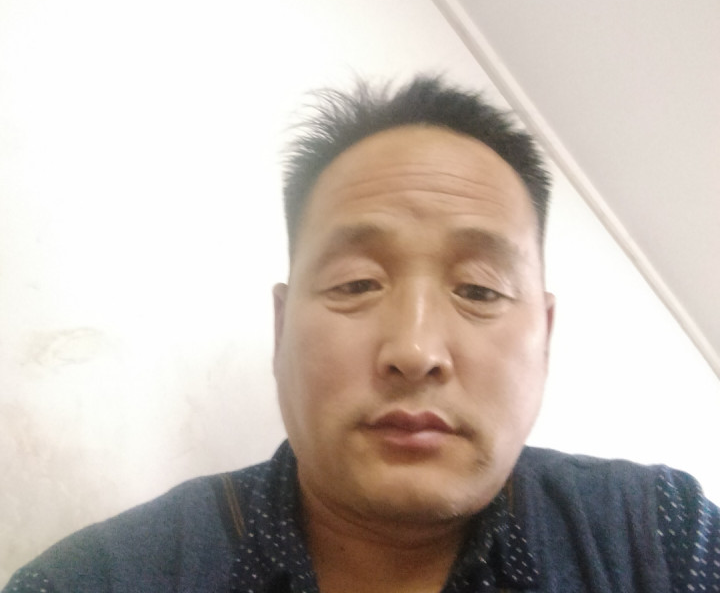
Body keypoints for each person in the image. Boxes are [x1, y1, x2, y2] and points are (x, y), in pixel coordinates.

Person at [4, 76, 719, 592]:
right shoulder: (96, 579)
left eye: (478, 290)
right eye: (355, 284)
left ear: (546, 337)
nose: (415, 352)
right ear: (281, 329)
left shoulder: (657, 540)